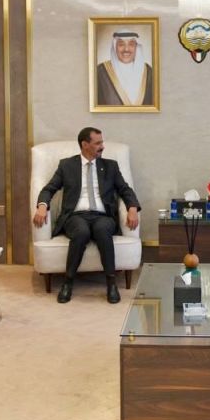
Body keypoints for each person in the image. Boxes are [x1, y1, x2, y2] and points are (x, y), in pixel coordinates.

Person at [33, 127, 141, 304]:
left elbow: (125, 190)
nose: (102, 146)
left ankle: (111, 284)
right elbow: (49, 189)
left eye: (102, 142)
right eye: (98, 143)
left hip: (102, 216)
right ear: (85, 145)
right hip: (76, 216)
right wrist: (42, 206)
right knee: (81, 232)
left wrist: (132, 208)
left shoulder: (110, 166)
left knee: (102, 230)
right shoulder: (67, 165)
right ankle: (68, 282)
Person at [95, 31, 154, 106]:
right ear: (115, 47)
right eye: (121, 45)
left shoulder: (149, 72)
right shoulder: (100, 72)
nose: (126, 49)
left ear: (136, 47)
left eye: (131, 44)